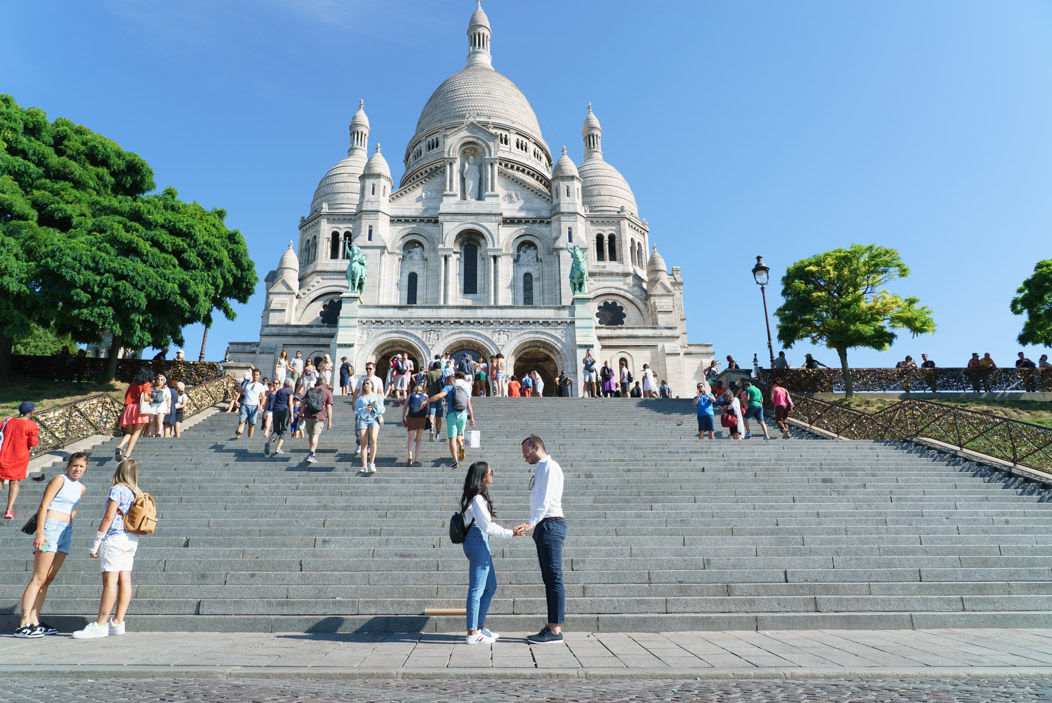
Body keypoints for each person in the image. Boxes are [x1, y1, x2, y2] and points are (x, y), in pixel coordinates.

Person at [15, 452, 87, 638]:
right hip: (51, 528)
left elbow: (74, 510)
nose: (77, 469)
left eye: (81, 466)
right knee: (38, 577)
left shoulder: (81, 488)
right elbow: (44, 505)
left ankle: (34, 619)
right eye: (75, 465)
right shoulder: (59, 480)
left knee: (48, 578)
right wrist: (41, 533)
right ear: (68, 466)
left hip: (65, 531)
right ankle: (23, 623)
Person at [72, 459, 142, 639]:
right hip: (131, 539)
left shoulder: (118, 489)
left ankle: (101, 624)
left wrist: (96, 541)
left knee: (110, 581)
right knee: (125, 579)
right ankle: (118, 622)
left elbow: (109, 516)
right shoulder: (136, 492)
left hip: (115, 538)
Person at [514, 435, 566, 645]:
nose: (524, 456)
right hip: (545, 525)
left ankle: (555, 629)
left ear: (536, 447)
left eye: (526, 452)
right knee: (549, 578)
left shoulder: (549, 467)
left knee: (554, 577)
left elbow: (546, 499)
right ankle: (552, 624)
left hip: (550, 523)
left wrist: (531, 522)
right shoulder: (542, 468)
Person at [459, 461, 515, 645]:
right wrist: (510, 532)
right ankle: (472, 632)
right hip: (477, 540)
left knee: (490, 586)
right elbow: (487, 526)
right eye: (491, 471)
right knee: (476, 588)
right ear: (483, 476)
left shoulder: (475, 497)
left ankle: (480, 627)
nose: (493, 474)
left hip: (479, 542)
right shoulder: (476, 498)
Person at [426, 371, 474, 469]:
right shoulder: (464, 389)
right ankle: (461, 446)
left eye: (446, 381)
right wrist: (472, 418)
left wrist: (427, 400)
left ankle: (455, 461)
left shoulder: (448, 387)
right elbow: (469, 404)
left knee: (452, 438)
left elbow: (440, 396)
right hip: (463, 414)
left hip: (452, 414)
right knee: (460, 435)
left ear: (450, 381)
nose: (445, 383)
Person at [1, 401, 40, 519]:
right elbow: (33, 443)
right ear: (31, 412)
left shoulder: (8, 421)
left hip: (3, 455)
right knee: (15, 482)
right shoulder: (31, 425)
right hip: (19, 458)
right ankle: (9, 510)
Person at [116, 369, 154, 460]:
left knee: (128, 432)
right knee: (136, 432)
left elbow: (126, 395)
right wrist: (151, 399)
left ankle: (120, 446)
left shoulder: (133, 383)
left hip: (129, 408)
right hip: (139, 409)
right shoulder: (147, 384)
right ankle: (127, 455)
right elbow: (145, 398)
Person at [353, 362, 386, 455]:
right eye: (367, 368)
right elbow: (356, 392)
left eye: (370, 368)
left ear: (374, 369)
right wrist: (353, 403)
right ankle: (359, 444)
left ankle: (369, 446)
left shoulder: (378, 380)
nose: (368, 370)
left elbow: (380, 392)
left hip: (373, 407)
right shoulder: (361, 379)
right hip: (362, 404)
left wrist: (380, 405)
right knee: (358, 425)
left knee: (372, 429)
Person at [354, 378, 385, 473]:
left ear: (372, 385)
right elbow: (356, 410)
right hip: (363, 419)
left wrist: (375, 406)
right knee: (363, 442)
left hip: (373, 419)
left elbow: (382, 409)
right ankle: (364, 465)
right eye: (364, 384)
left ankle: (372, 463)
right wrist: (364, 409)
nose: (365, 385)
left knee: (373, 439)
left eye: (367, 383)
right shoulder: (360, 397)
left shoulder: (377, 396)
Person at [264, 378, 294, 456]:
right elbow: (290, 403)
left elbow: (274, 402)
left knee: (276, 430)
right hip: (285, 410)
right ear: (290, 385)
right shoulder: (290, 391)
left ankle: (269, 442)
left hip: (276, 409)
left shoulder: (279, 391)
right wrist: (292, 415)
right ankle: (278, 448)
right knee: (283, 430)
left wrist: (274, 410)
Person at [402, 383, 428, 467]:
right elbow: (428, 408)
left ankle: (410, 456)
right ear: (421, 390)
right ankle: (416, 458)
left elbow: (404, 407)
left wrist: (403, 418)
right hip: (421, 417)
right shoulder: (425, 396)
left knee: (410, 438)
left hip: (411, 417)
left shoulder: (410, 395)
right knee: (419, 438)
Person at [235, 368, 266, 440]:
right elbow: (240, 392)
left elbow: (263, 397)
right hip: (245, 404)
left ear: (259, 376)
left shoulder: (260, 386)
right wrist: (236, 400)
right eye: (254, 374)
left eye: (257, 375)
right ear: (252, 375)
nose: (255, 376)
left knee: (251, 424)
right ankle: (238, 435)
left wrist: (261, 405)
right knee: (242, 421)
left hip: (254, 406)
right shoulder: (246, 383)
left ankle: (250, 439)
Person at [425, 360, 446, 442]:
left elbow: (425, 386)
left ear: (433, 367)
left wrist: (425, 395)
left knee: (431, 416)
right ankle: (438, 433)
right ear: (440, 367)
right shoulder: (442, 374)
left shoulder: (428, 374)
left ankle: (431, 430)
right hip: (440, 397)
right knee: (439, 418)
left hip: (431, 397)